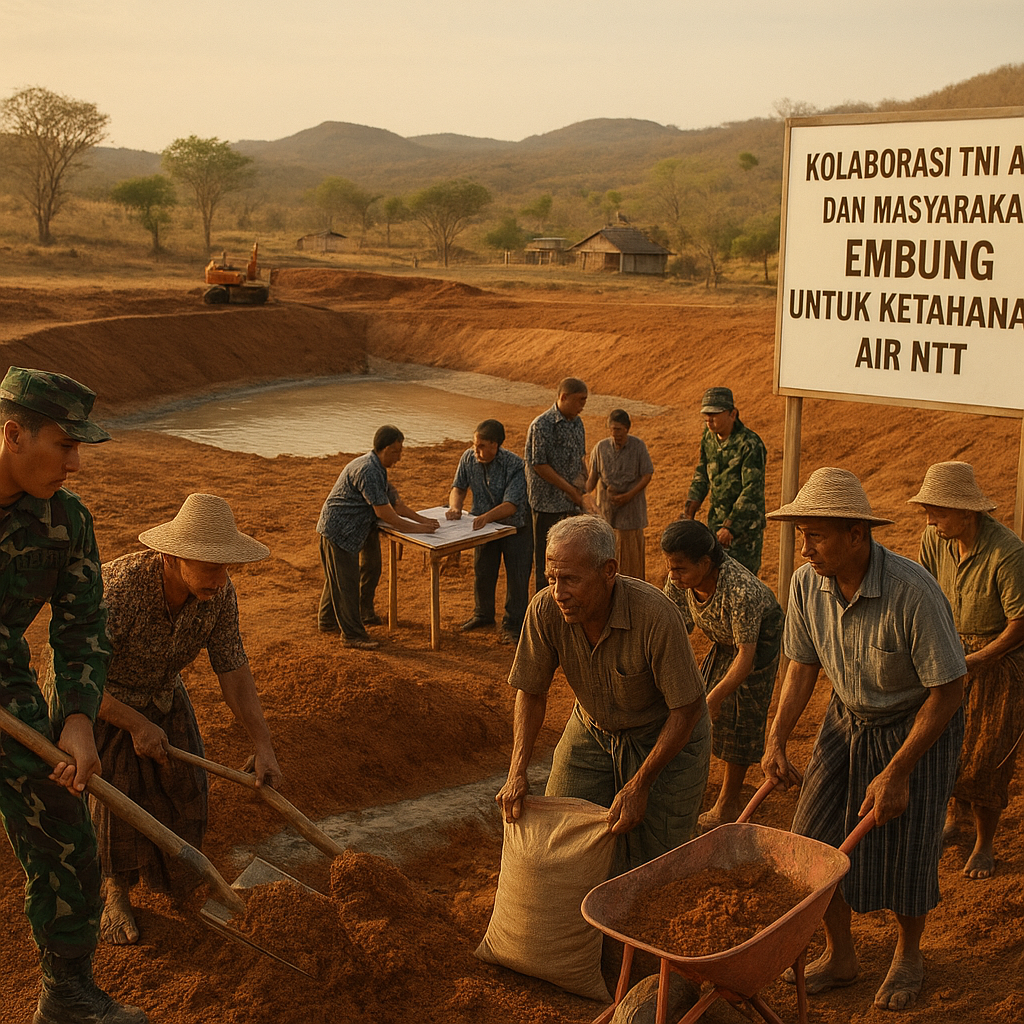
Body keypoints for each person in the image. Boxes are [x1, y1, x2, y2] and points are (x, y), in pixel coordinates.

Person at [762, 467, 966, 1012]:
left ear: (857, 534)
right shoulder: (806, 584)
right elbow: (801, 666)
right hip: (847, 718)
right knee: (812, 841)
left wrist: (898, 770)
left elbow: (948, 690)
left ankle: (908, 954)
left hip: (918, 724)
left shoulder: (913, 591)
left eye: (816, 535)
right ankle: (842, 953)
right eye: (801, 534)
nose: (805, 548)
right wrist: (777, 738)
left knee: (909, 847)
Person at [0, 367, 147, 1024]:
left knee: (66, 833)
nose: (76, 463)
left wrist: (80, 719)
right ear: (13, 434)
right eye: (65, 444)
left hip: (8, 690)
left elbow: (83, 622)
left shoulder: (64, 522)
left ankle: (67, 996)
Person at [81, 494, 284, 948]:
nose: (219, 577)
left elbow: (233, 668)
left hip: (163, 688)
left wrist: (264, 744)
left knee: (186, 785)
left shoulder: (219, 594)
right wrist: (134, 724)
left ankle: (177, 875)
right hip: (98, 695)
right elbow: (76, 674)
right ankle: (115, 890)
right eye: (208, 565)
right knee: (117, 793)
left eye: (225, 566)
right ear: (172, 557)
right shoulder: (119, 589)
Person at [497, 515, 710, 872]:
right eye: (552, 579)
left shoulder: (656, 616)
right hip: (592, 729)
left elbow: (686, 710)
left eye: (571, 580)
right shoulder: (544, 610)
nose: (558, 592)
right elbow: (531, 692)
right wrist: (517, 770)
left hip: (666, 734)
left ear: (609, 570)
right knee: (560, 833)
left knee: (657, 860)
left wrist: (640, 783)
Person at [909, 461, 1024, 880]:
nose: (930, 519)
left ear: (967, 512)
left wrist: (975, 660)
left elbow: (1019, 625)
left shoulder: (1008, 552)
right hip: (950, 650)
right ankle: (954, 821)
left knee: (987, 758)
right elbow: (924, 589)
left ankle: (985, 843)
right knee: (948, 745)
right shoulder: (933, 539)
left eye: (937, 511)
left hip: (998, 663)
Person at [661, 520, 782, 827]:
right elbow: (672, 626)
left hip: (756, 646)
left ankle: (728, 802)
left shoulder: (741, 591)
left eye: (680, 569)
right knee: (693, 705)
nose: (673, 576)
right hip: (724, 639)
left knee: (739, 716)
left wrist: (713, 699)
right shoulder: (680, 580)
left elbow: (745, 658)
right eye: (670, 568)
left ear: (706, 563)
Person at [317, 425, 439, 650]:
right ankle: (352, 635)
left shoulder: (378, 469)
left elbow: (397, 505)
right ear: (382, 449)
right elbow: (384, 512)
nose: (399, 457)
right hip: (340, 530)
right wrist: (418, 530)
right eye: (395, 452)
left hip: (357, 530)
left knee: (358, 572)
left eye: (401, 451)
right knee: (345, 582)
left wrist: (422, 520)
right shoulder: (368, 470)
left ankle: (332, 619)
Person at [447, 419, 533, 645]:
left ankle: (513, 624)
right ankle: (482, 615)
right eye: (475, 444)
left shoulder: (515, 465)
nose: (476, 450)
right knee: (483, 571)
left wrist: (485, 517)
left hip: (515, 527)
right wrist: (455, 506)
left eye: (482, 446)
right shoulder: (468, 458)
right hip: (484, 528)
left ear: (496, 445)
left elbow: (511, 505)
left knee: (517, 576)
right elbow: (458, 487)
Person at [681, 386, 766, 575]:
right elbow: (702, 472)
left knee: (743, 581)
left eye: (714, 415)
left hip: (743, 531)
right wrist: (689, 510)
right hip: (716, 524)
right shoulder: (709, 437)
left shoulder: (750, 444)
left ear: (732, 414)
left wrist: (730, 526)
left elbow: (751, 489)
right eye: (706, 416)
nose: (709, 421)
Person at [524, 377, 588, 593]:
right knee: (548, 562)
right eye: (580, 400)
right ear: (563, 397)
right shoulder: (541, 425)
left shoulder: (577, 424)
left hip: (571, 506)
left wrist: (583, 489)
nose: (582, 406)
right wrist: (571, 491)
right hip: (547, 505)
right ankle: (545, 610)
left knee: (570, 558)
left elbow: (580, 458)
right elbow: (539, 465)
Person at [584, 408, 654, 580]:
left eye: (619, 429)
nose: (615, 433)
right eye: (613, 429)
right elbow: (592, 478)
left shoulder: (638, 447)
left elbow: (647, 475)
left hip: (631, 515)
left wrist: (629, 495)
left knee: (631, 566)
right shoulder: (600, 448)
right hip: (606, 514)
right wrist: (583, 496)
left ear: (627, 429)